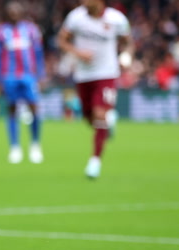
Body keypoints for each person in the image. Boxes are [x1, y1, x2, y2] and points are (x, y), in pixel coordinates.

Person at [57, 0, 133, 179]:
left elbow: (129, 42)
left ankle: (95, 161)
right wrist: (77, 52)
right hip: (83, 75)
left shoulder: (116, 19)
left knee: (99, 114)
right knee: (88, 118)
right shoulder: (75, 17)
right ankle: (109, 124)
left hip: (106, 74)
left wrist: (126, 55)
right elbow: (62, 40)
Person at [0, 1, 45, 164]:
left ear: (21, 13)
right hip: (9, 77)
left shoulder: (30, 30)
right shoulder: (1, 32)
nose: (13, 14)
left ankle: (35, 145)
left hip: (28, 76)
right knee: (12, 110)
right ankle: (15, 147)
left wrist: (41, 76)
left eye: (16, 11)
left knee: (35, 108)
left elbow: (38, 54)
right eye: (11, 12)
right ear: (7, 14)